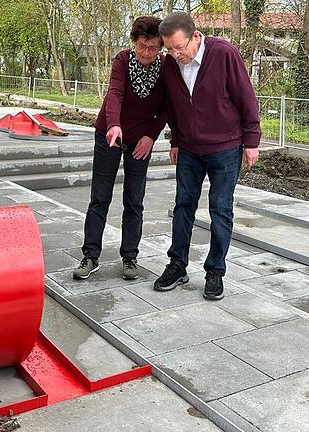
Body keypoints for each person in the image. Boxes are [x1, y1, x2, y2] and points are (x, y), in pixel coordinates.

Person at [153, 12, 261, 300]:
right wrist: (175, 139)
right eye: (170, 49)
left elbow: (247, 99)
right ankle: (177, 265)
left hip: (225, 148)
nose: (176, 54)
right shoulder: (170, 64)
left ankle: (215, 271)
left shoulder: (224, 54)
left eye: (180, 47)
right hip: (189, 148)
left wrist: (251, 141)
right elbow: (172, 106)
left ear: (196, 36)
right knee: (183, 206)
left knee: (220, 209)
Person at [73, 16, 167, 281]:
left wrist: (150, 136)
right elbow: (114, 93)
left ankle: (130, 256)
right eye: (142, 46)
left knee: (134, 200)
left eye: (153, 47)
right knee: (100, 197)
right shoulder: (122, 60)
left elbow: (166, 109)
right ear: (134, 42)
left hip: (140, 141)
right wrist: (114, 125)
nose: (147, 53)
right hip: (109, 135)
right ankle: (90, 255)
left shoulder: (167, 66)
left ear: (161, 46)